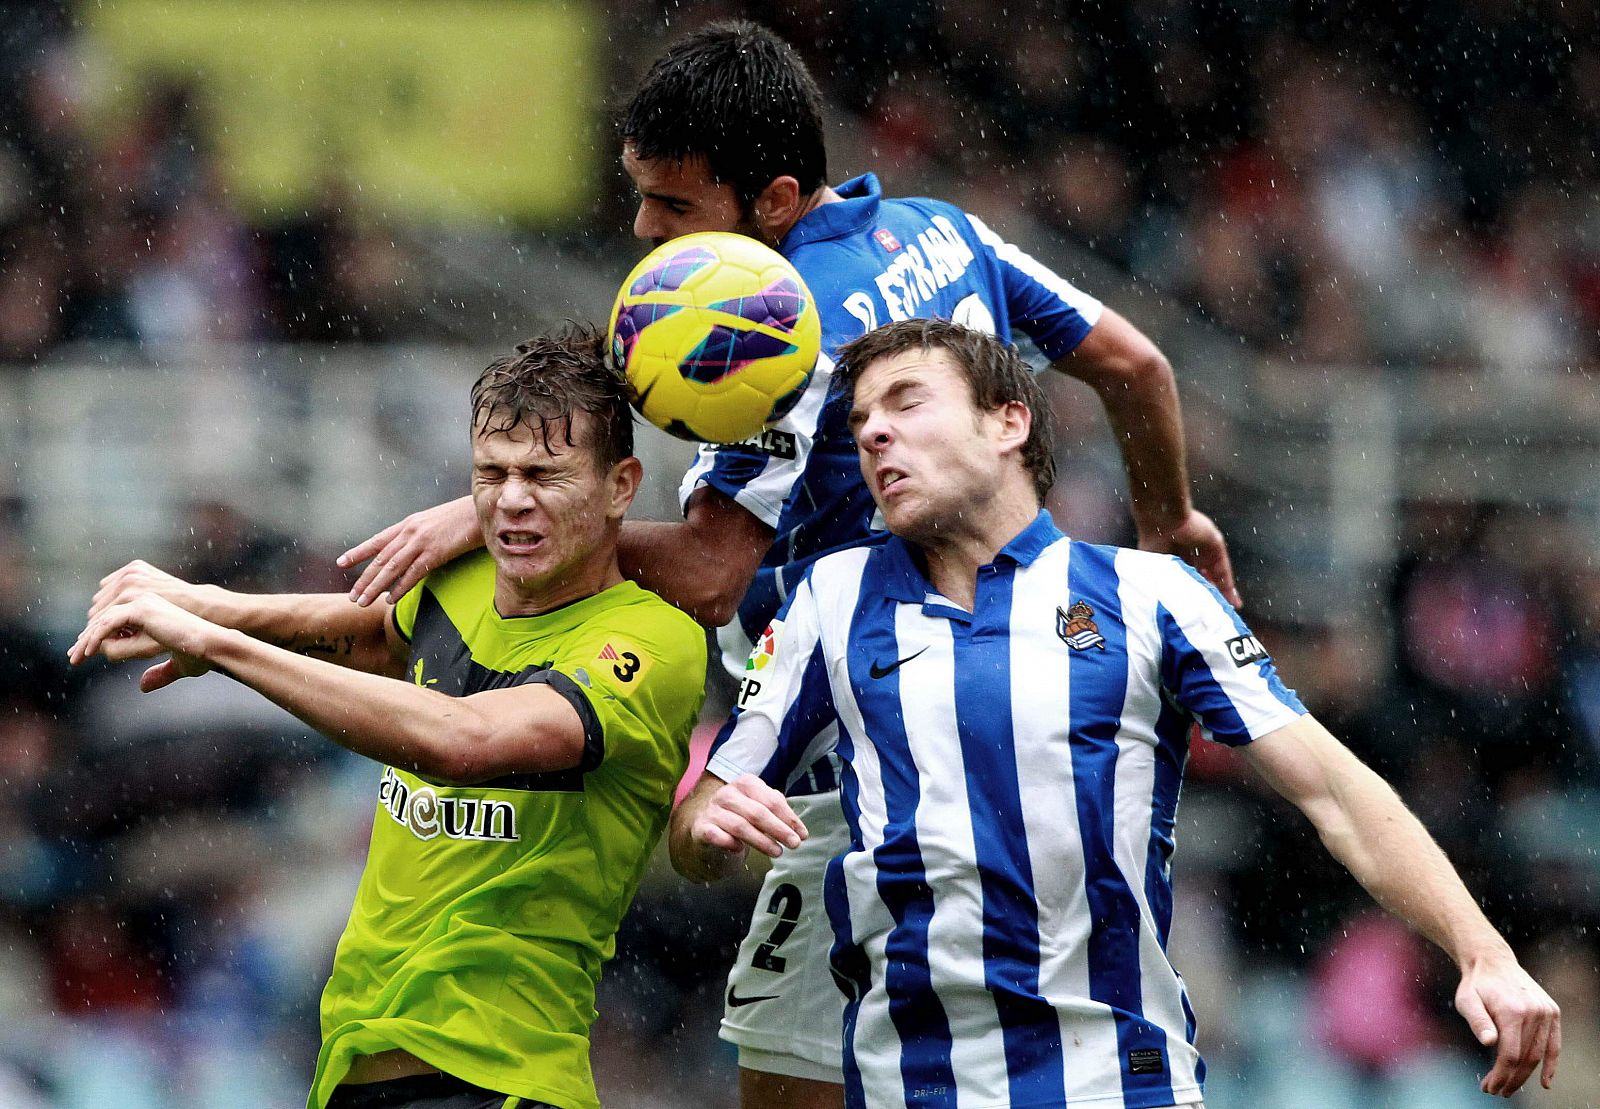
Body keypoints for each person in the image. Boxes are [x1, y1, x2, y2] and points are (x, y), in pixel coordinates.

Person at [337, 22, 1237, 1108]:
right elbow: (1136, 366)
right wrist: (1171, 517)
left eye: (671, 205)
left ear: (769, 199)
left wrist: (502, 514)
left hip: (849, 763)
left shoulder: (765, 328)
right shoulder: (940, 230)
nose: (641, 227)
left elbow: (715, 570)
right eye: (639, 194)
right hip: (1001, 739)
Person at [672, 317, 1562, 1109]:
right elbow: (702, 816)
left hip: (1120, 1080)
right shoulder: (831, 596)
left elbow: (1334, 789)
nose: (873, 432)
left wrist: (1483, 950)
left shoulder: (1152, 593)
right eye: (862, 421)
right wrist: (706, 825)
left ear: (1007, 422)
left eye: (906, 402)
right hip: (910, 1083)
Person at [69, 326, 707, 1109]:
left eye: (545, 473)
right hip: (352, 1060)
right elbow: (372, 634)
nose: (511, 499)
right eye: (492, 472)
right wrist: (217, 606)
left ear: (621, 485)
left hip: (502, 1078)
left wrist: (221, 642)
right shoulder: (460, 581)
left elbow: (464, 740)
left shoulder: (653, 641)